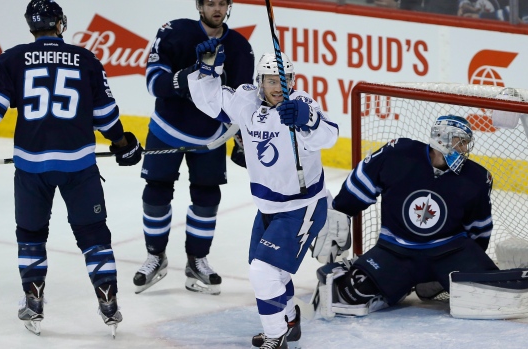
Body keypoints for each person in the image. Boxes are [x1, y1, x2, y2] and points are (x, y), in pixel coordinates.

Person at [0, 0, 143, 337]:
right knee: (94, 235)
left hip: (31, 166)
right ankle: (108, 302)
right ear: (59, 25)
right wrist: (121, 143)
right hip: (78, 165)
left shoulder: (11, 58)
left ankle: (33, 300)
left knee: (31, 235)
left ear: (31, 27)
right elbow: (106, 116)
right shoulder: (85, 59)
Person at [187, 47, 339, 348]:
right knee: (272, 273)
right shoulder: (246, 101)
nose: (278, 87)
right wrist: (205, 71)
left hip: (302, 206)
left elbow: (330, 135)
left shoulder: (300, 104)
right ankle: (290, 320)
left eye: (284, 80)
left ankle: (275, 335)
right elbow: (211, 101)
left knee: (262, 271)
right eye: (271, 81)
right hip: (269, 206)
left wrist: (308, 120)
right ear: (260, 81)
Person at [314, 115, 499, 319]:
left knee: (487, 294)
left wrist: (470, 264)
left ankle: (433, 280)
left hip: (450, 253)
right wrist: (340, 211)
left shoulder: (477, 177)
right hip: (395, 251)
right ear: (441, 138)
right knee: (349, 295)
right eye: (460, 141)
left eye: (466, 143)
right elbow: (362, 181)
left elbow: (479, 231)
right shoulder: (399, 154)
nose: (464, 149)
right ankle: (393, 282)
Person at [133, 0, 255, 295]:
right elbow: (153, 82)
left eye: (222, 3)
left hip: (210, 136)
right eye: (210, 3)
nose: (217, 9)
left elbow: (242, 98)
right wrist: (192, 72)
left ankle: (196, 260)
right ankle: (155, 256)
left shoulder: (239, 46)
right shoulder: (174, 32)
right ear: (199, 6)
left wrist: (243, 138)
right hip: (167, 129)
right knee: (156, 192)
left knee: (207, 197)